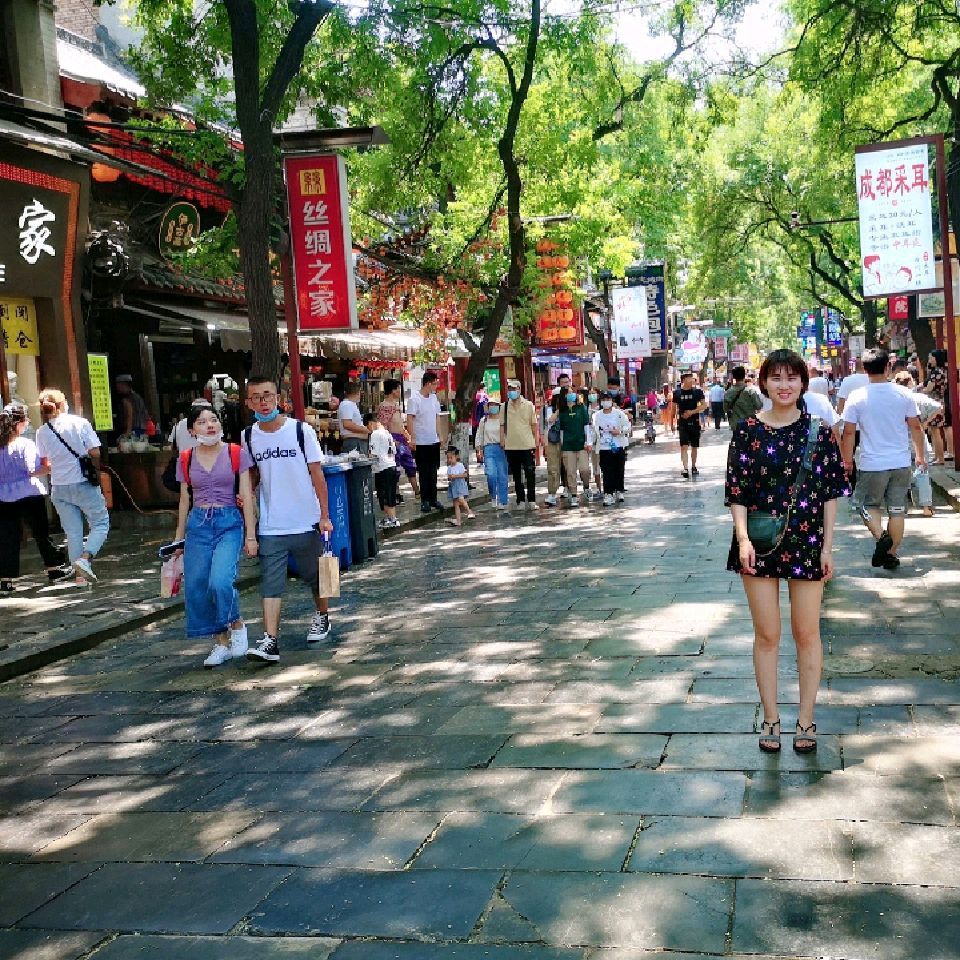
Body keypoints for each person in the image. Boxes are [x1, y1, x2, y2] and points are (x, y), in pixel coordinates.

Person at [726, 349, 848, 755]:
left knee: (806, 633)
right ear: (763, 382)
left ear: (803, 383)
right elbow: (737, 491)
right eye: (776, 377)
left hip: (807, 541)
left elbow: (830, 493)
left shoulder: (818, 431)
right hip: (758, 543)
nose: (784, 385)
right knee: (767, 634)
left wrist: (828, 547)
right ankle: (771, 718)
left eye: (791, 377)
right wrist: (742, 539)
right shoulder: (747, 430)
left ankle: (806, 718)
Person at [243, 375, 334, 664]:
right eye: (256, 397)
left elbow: (317, 474)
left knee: (315, 576)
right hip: (271, 524)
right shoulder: (248, 436)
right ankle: (270, 640)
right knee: (270, 583)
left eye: (267, 395)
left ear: (278, 398)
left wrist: (325, 515)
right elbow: (252, 475)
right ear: (248, 403)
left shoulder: (300, 430)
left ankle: (322, 615)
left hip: (305, 520)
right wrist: (248, 502)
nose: (263, 402)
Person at [172, 405, 258, 668]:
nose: (209, 425)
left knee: (220, 581)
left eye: (213, 420)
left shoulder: (235, 453)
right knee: (197, 584)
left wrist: (251, 536)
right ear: (191, 430)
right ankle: (220, 642)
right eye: (201, 422)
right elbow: (184, 500)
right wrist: (178, 540)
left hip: (228, 522)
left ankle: (236, 623)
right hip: (198, 525)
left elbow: (247, 495)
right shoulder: (185, 458)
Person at [841, 348, 927, 571]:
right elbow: (916, 426)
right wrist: (920, 455)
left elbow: (848, 432)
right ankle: (891, 554)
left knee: (865, 505)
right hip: (901, 462)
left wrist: (847, 461)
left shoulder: (857, 397)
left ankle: (882, 538)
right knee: (897, 509)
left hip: (872, 463)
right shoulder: (903, 394)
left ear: (865, 369)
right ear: (888, 367)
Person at [36, 389, 110, 585]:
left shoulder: (42, 431)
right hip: (82, 483)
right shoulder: (79, 423)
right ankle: (85, 560)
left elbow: (45, 463)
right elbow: (95, 452)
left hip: (59, 487)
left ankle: (80, 578)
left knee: (73, 532)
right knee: (101, 523)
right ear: (63, 404)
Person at [0, 403, 70, 592]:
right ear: (19, 423)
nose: (28, 423)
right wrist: (50, 468)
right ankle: (53, 569)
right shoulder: (25, 444)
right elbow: (33, 470)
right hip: (30, 493)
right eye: (26, 420)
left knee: (8, 537)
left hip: (3, 497)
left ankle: (5, 580)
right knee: (41, 533)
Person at [893, 370, 938, 518]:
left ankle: (903, 507)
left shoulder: (894, 399)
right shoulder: (918, 397)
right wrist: (925, 422)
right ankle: (926, 506)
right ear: (910, 382)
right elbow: (939, 407)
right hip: (919, 439)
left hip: (900, 441)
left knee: (901, 475)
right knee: (922, 472)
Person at [407, 371, 444, 514]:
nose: (436, 386)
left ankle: (433, 498)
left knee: (433, 471)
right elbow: (410, 419)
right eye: (434, 384)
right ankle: (425, 500)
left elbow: (437, 417)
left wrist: (440, 435)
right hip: (421, 442)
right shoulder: (415, 399)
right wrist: (412, 437)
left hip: (433, 440)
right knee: (423, 472)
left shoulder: (434, 398)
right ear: (428, 383)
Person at [376, 379, 419, 501]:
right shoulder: (384, 406)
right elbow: (382, 425)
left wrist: (408, 437)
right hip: (393, 439)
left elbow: (399, 424)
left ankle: (417, 491)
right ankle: (396, 494)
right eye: (398, 388)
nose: (399, 391)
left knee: (410, 465)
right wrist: (390, 440)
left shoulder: (396, 405)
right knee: (395, 468)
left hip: (402, 438)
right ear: (392, 391)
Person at [503, 378, 539, 510]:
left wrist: (536, 440)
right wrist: (502, 440)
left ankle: (532, 499)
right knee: (516, 475)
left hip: (527, 444)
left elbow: (534, 424)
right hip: (511, 445)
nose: (511, 391)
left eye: (514, 389)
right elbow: (502, 425)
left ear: (519, 390)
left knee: (530, 473)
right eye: (509, 389)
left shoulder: (529, 405)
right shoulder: (504, 407)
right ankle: (520, 500)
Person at [593, 391, 631, 505]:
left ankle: (619, 490)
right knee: (606, 471)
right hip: (604, 447)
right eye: (603, 400)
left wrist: (619, 431)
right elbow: (593, 430)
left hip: (618, 445)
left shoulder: (619, 414)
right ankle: (608, 493)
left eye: (608, 399)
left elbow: (627, 426)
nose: (606, 402)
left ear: (612, 401)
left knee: (619, 469)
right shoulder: (597, 415)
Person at [558, 385, 593, 506]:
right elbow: (561, 430)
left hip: (581, 444)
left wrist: (588, 442)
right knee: (570, 472)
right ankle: (573, 494)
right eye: (568, 393)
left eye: (572, 392)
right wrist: (562, 445)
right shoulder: (562, 411)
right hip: (568, 445)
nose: (570, 395)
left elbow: (586, 426)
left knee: (584, 469)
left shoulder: (581, 408)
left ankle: (586, 487)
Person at [474, 397, 509, 512]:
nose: (493, 407)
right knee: (491, 475)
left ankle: (503, 501)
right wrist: (478, 449)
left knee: (502, 476)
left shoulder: (503, 420)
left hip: (501, 448)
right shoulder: (484, 421)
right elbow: (479, 435)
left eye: (495, 404)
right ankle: (493, 495)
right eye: (491, 405)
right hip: (488, 448)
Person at [368, 414, 401, 529]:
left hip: (382, 468)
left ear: (371, 423)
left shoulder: (375, 434)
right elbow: (394, 450)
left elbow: (373, 454)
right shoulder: (387, 433)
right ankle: (391, 517)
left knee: (384, 495)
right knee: (390, 493)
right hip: (391, 465)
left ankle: (392, 519)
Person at [920, 349, 953, 464]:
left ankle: (940, 458)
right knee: (934, 430)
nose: (929, 360)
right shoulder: (942, 371)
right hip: (939, 402)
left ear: (936, 359)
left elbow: (929, 388)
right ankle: (938, 457)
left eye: (931, 357)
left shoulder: (936, 373)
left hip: (934, 403)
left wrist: (919, 391)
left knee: (935, 431)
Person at [673, 371, 707, 478]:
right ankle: (685, 468)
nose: (692, 380)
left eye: (692, 378)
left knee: (694, 446)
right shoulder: (677, 393)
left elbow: (704, 405)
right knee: (684, 446)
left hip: (695, 422)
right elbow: (673, 409)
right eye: (689, 378)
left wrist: (692, 412)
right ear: (683, 380)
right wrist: (671, 422)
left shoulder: (697, 392)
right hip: (682, 423)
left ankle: (693, 466)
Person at [337, 381, 371, 455]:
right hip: (353, 441)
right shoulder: (347, 404)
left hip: (358, 440)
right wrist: (365, 430)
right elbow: (347, 424)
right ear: (357, 393)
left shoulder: (351, 404)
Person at [445, 447, 474, 526]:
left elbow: (465, 475)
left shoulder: (460, 465)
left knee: (461, 499)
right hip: (453, 486)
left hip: (460, 485)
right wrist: (450, 478)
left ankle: (469, 511)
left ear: (456, 457)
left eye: (451, 458)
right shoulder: (449, 468)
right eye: (448, 458)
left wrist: (456, 476)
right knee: (456, 504)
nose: (450, 460)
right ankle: (458, 521)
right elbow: (449, 477)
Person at [585, 388, 604, 502]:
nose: (592, 395)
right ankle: (599, 489)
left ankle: (610, 488)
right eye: (590, 393)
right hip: (591, 442)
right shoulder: (585, 409)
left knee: (604, 466)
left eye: (594, 393)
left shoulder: (602, 408)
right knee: (595, 466)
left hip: (603, 441)